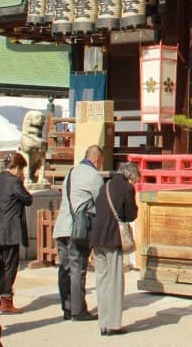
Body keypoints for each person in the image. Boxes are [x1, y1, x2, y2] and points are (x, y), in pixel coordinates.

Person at [53, 144, 104, 321]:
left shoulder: (71, 172)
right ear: (97, 160)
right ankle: (78, 310)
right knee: (78, 268)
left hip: (62, 226)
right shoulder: (94, 176)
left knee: (64, 268)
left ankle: (67, 307)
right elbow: (101, 202)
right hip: (79, 229)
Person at [90, 162, 139, 336]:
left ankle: (103, 322)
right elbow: (132, 214)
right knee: (115, 281)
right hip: (113, 238)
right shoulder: (127, 188)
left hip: (97, 238)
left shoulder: (105, 186)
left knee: (101, 281)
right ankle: (113, 324)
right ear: (131, 176)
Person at [0, 152, 33, 314]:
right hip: (10, 230)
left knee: (0, 265)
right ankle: (6, 300)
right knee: (10, 266)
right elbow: (28, 199)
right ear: (16, 168)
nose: (22, 172)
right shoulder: (15, 182)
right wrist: (22, 183)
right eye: (21, 169)